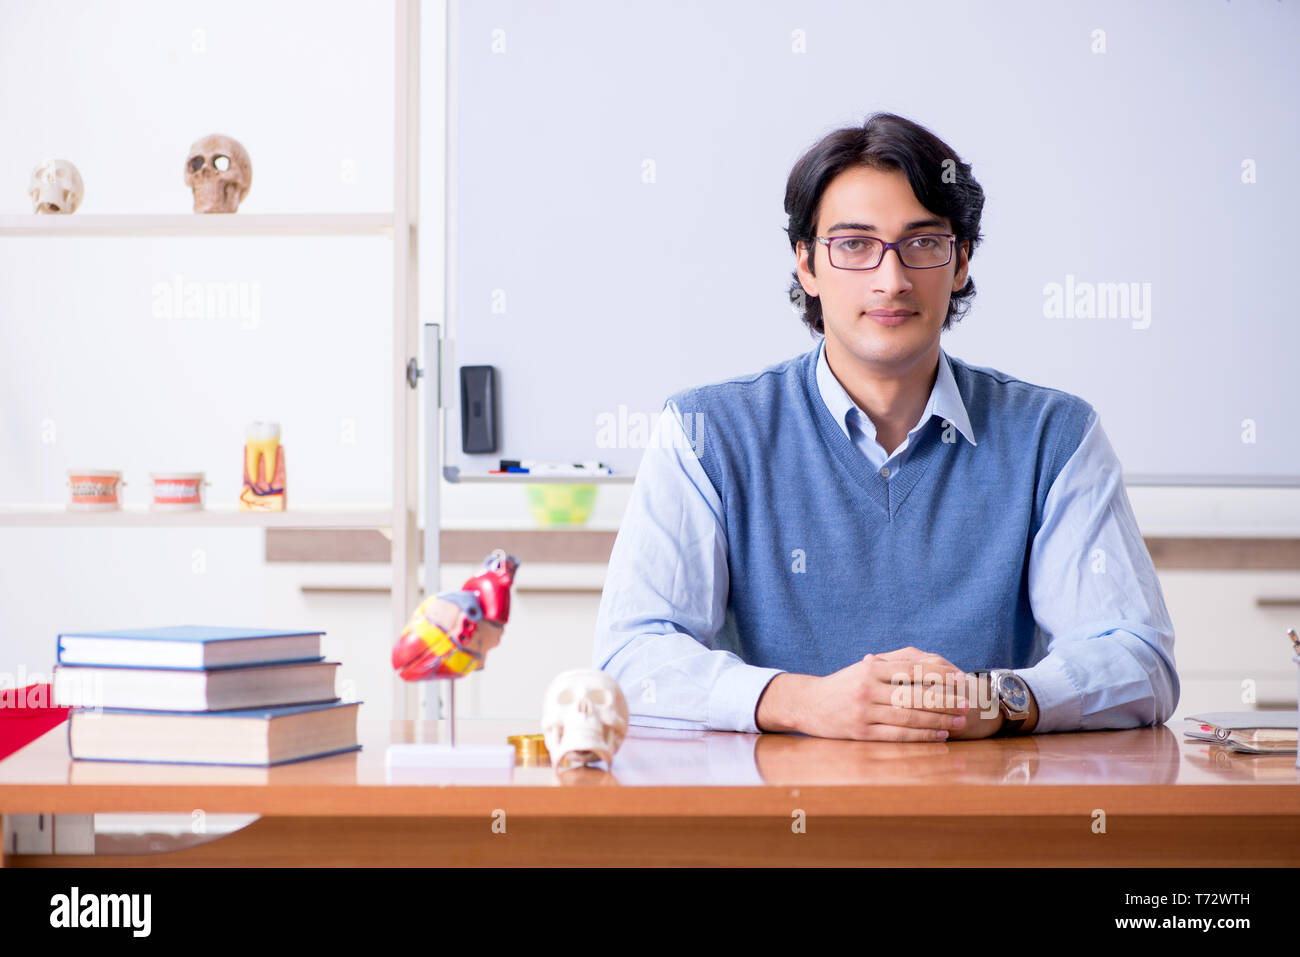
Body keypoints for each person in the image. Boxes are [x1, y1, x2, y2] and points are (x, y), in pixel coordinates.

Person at [593, 112, 1178, 741]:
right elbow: (633, 659)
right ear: (806, 267)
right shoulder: (706, 432)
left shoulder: (1053, 435)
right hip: (771, 820)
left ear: (960, 264)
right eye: (854, 245)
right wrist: (803, 702)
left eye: (923, 243)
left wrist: (996, 701)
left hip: (986, 815)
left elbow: (1139, 659)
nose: (891, 280)